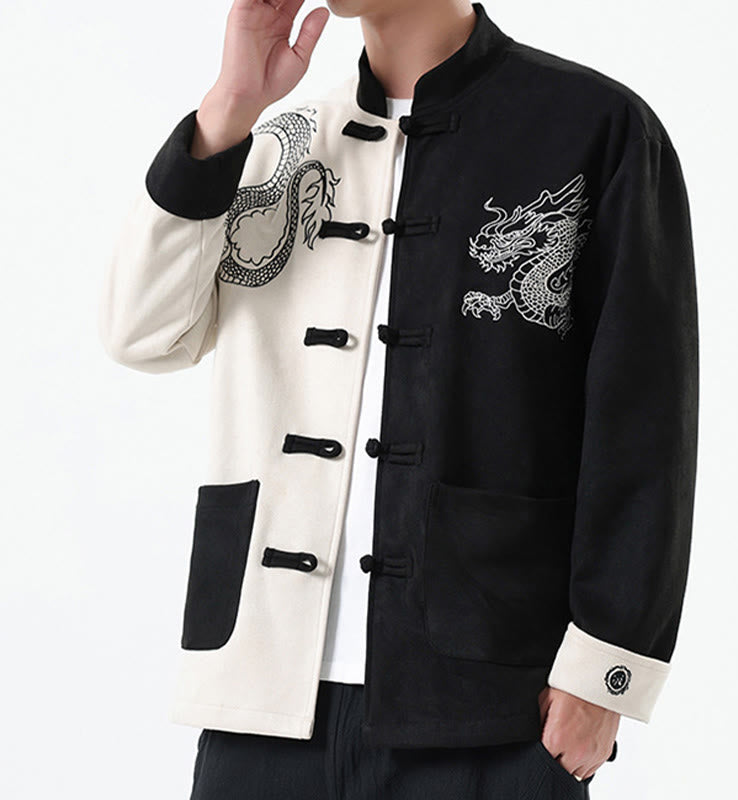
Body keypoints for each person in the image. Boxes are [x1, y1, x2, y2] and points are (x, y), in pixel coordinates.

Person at [98, 1, 699, 797]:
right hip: (264, 696)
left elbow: (645, 422)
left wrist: (605, 674)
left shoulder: (595, 128)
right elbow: (143, 334)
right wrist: (226, 112)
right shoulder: (276, 140)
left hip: (492, 703)